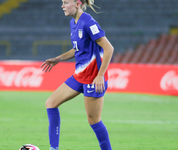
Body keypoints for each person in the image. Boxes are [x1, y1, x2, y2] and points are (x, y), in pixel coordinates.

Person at [41, 0, 114, 150]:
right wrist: (58, 59)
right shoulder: (73, 23)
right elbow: (77, 49)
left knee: (94, 121)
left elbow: (109, 48)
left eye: (65, 2)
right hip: (79, 76)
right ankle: (53, 148)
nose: (62, 6)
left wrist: (100, 76)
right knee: (51, 103)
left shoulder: (88, 22)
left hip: (93, 78)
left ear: (77, 3)